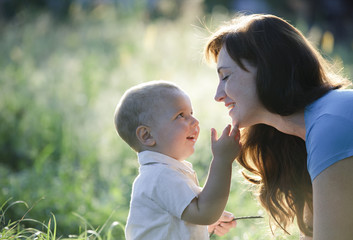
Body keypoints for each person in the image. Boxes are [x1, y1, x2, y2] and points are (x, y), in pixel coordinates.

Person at [204, 13, 353, 239]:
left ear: (268, 70)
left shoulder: (331, 125)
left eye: (226, 77)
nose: (218, 95)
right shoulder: (305, 133)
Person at [114, 81, 239, 239]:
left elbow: (173, 225)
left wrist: (204, 225)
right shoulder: (161, 176)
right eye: (180, 115)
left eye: (191, 113)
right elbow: (205, 212)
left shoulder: (163, 173)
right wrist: (222, 160)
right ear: (147, 135)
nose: (195, 121)